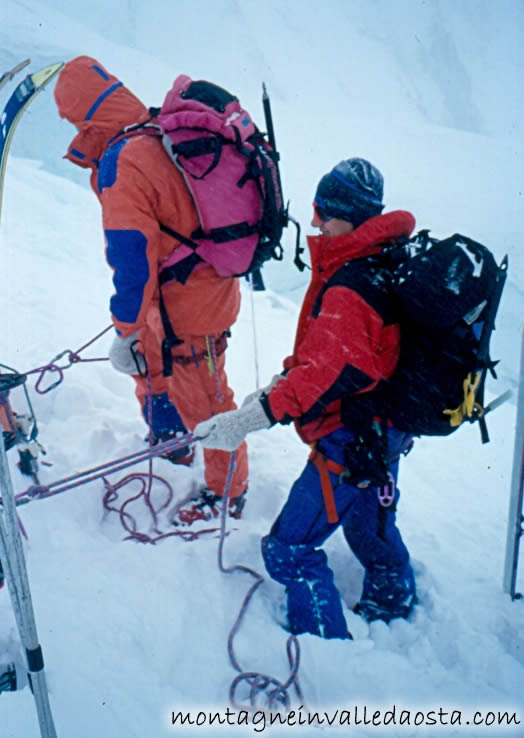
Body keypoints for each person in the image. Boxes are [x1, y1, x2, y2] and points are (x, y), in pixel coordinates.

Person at [194, 158, 417, 638]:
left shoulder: (349, 286)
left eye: (323, 211)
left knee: (288, 549)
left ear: (350, 216)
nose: (314, 221)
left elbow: (324, 373)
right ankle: (393, 602)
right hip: (385, 431)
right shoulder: (382, 260)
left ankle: (324, 649)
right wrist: (276, 388)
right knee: (367, 528)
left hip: (349, 442)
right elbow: (340, 360)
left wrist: (251, 417)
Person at [54, 56, 248, 521]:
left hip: (192, 303)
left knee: (207, 399)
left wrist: (125, 328)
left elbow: (130, 256)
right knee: (157, 367)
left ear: (85, 114)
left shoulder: (125, 161)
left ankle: (227, 494)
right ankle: (172, 440)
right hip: (181, 294)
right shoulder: (150, 131)